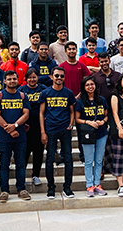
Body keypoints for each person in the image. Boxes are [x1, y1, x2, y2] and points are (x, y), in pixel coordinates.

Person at [0, 70, 32, 202]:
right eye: (9, 79)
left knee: (21, 163)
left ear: (18, 80)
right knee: (4, 164)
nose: (12, 81)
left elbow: (26, 114)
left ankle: (21, 189)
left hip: (20, 135)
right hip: (4, 137)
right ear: (4, 81)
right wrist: (8, 129)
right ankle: (4, 190)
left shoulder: (23, 96)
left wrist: (14, 126)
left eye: (14, 79)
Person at [39, 67, 77, 199]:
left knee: (68, 158)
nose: (59, 78)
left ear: (64, 77)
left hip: (64, 129)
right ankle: (51, 188)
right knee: (50, 159)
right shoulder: (45, 93)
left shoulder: (68, 93)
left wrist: (70, 125)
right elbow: (41, 113)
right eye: (56, 76)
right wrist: (43, 132)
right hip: (50, 129)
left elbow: (72, 110)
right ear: (52, 77)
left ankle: (67, 187)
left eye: (61, 76)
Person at [74, 77, 109, 197]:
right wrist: (88, 122)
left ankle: (97, 184)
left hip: (101, 133)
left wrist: (102, 122)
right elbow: (77, 119)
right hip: (87, 134)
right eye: (87, 84)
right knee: (89, 161)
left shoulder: (102, 100)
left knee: (99, 160)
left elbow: (106, 116)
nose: (90, 86)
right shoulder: (80, 102)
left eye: (92, 84)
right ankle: (89, 185)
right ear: (84, 87)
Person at [18, 69, 47, 186]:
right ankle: (21, 175)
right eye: (29, 77)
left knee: (38, 151)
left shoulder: (43, 89)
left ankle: (36, 175)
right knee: (24, 151)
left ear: (38, 78)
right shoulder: (21, 90)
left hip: (39, 124)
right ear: (26, 79)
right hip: (24, 125)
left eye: (34, 77)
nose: (32, 80)